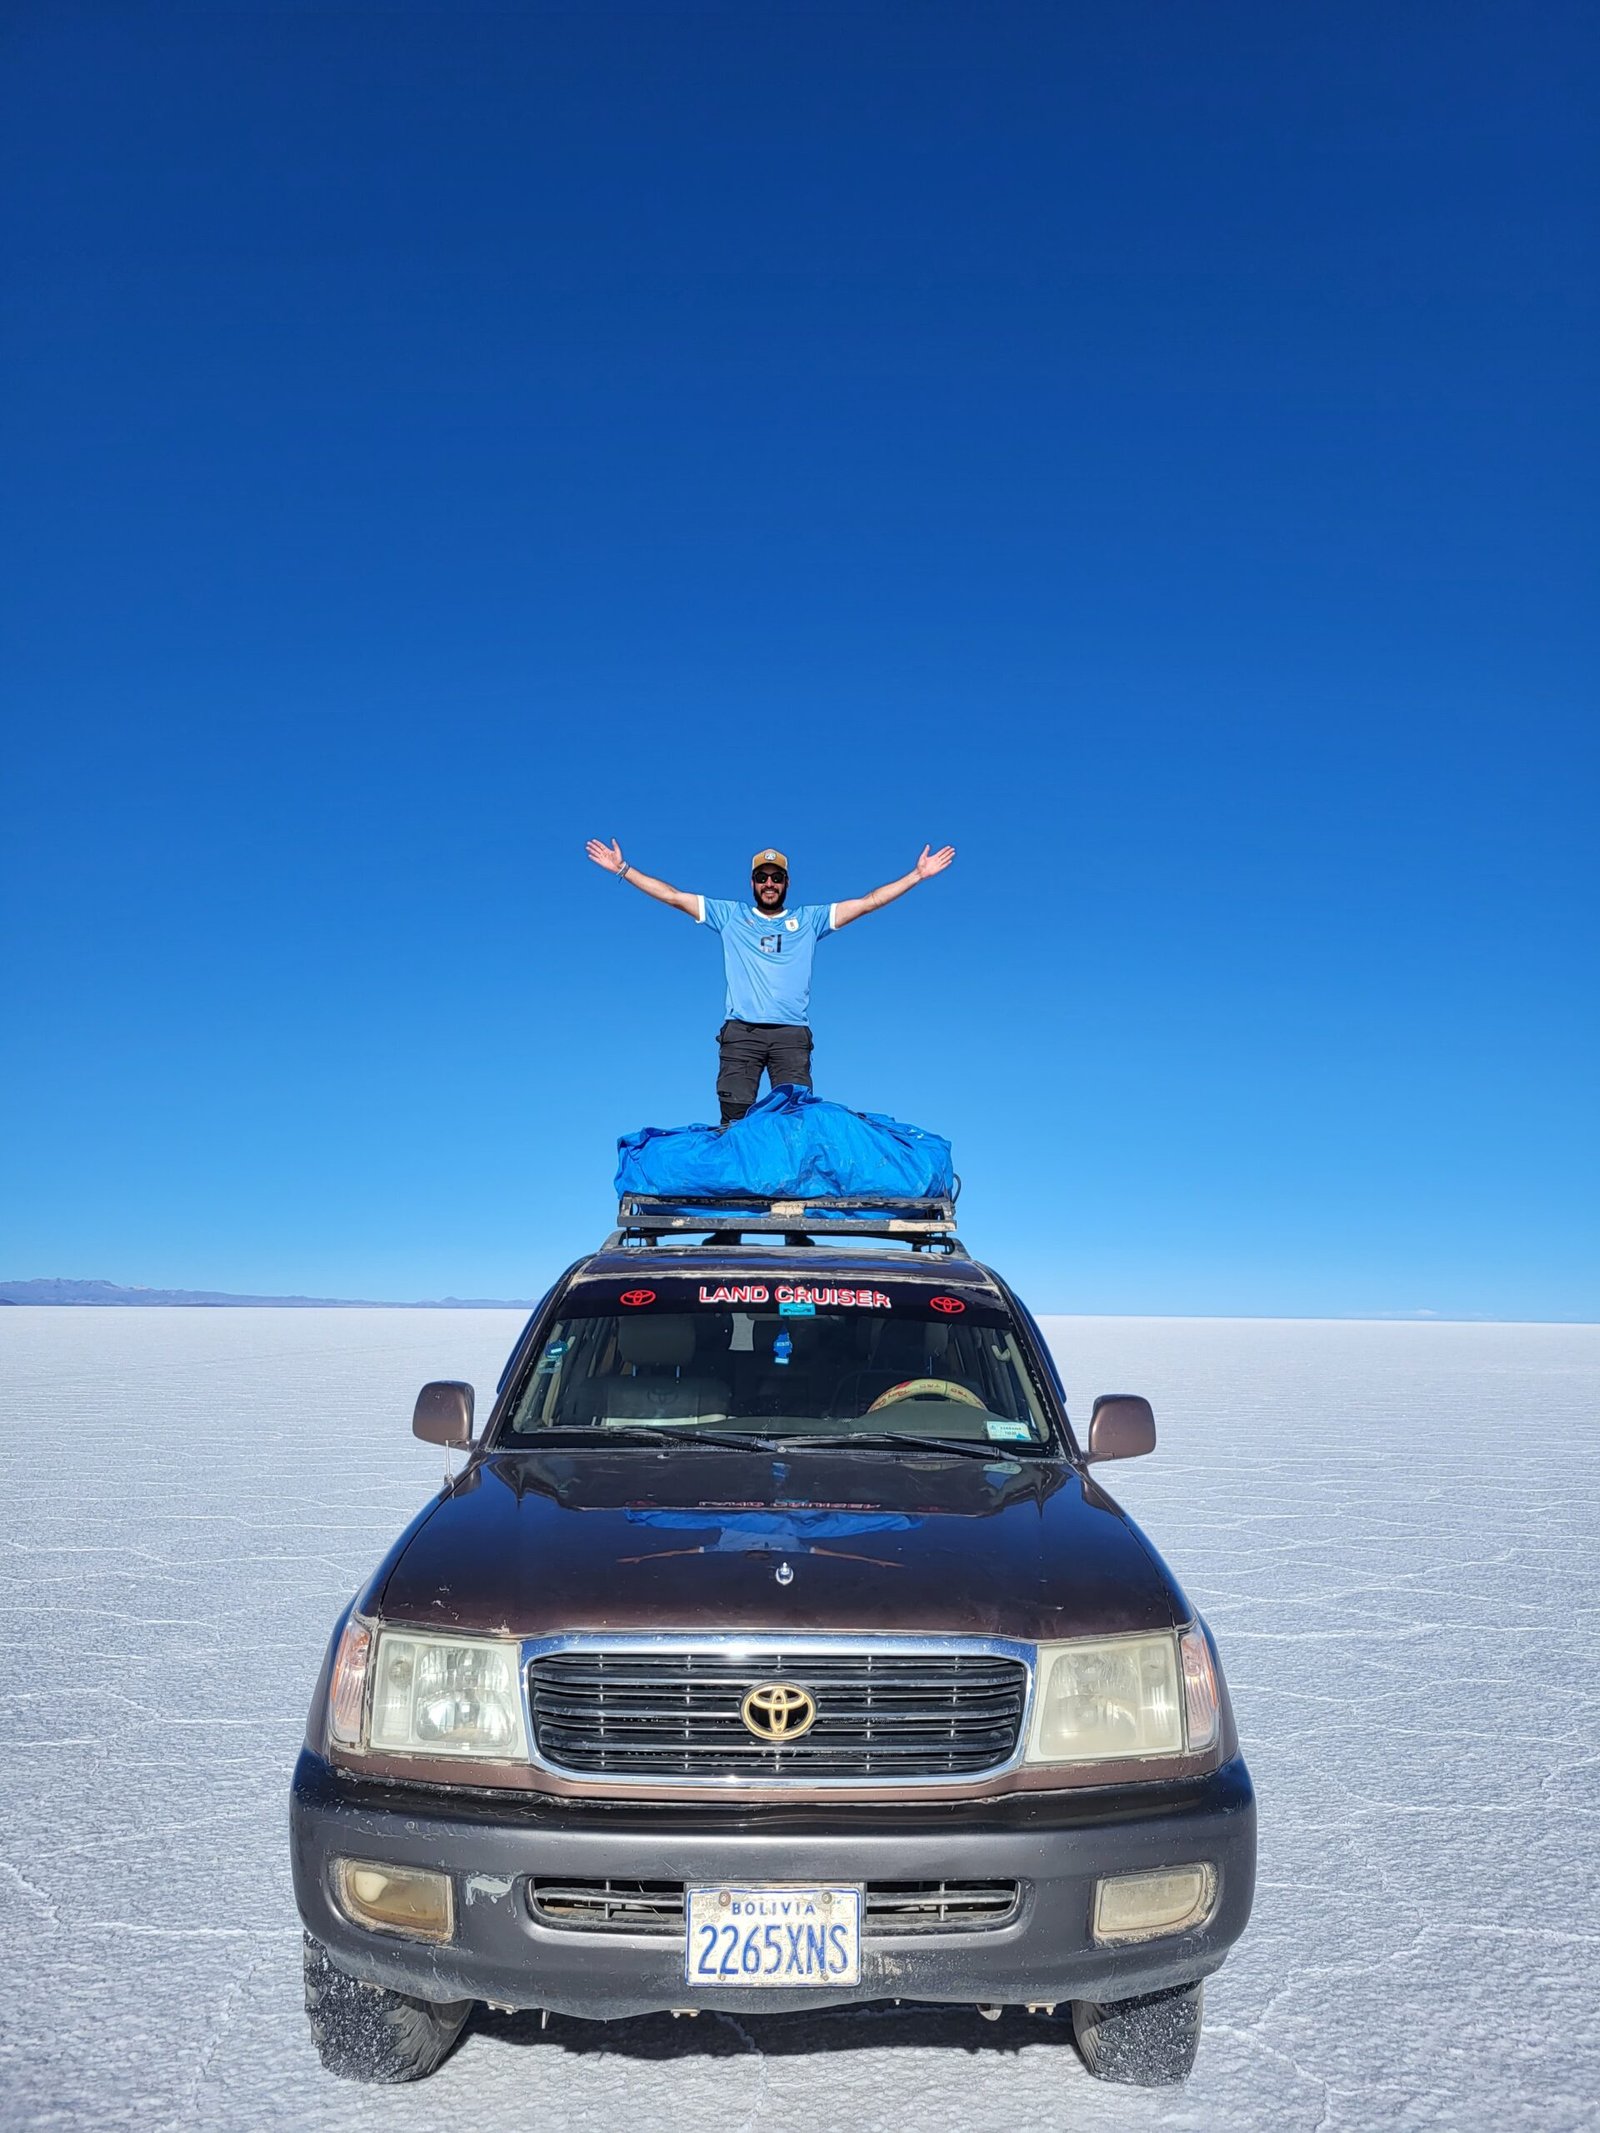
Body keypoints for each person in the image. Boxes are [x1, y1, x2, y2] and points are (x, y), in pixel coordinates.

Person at [584, 839, 957, 1123]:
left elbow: (869, 901)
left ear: (786, 883)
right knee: (734, 1122)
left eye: (776, 878)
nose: (769, 883)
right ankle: (733, 1202)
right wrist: (623, 869)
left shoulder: (809, 920)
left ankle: (789, 1203)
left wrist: (917, 876)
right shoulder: (730, 916)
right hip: (741, 1033)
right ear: (752, 882)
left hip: (790, 1035)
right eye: (762, 877)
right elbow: (673, 896)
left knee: (793, 1122)